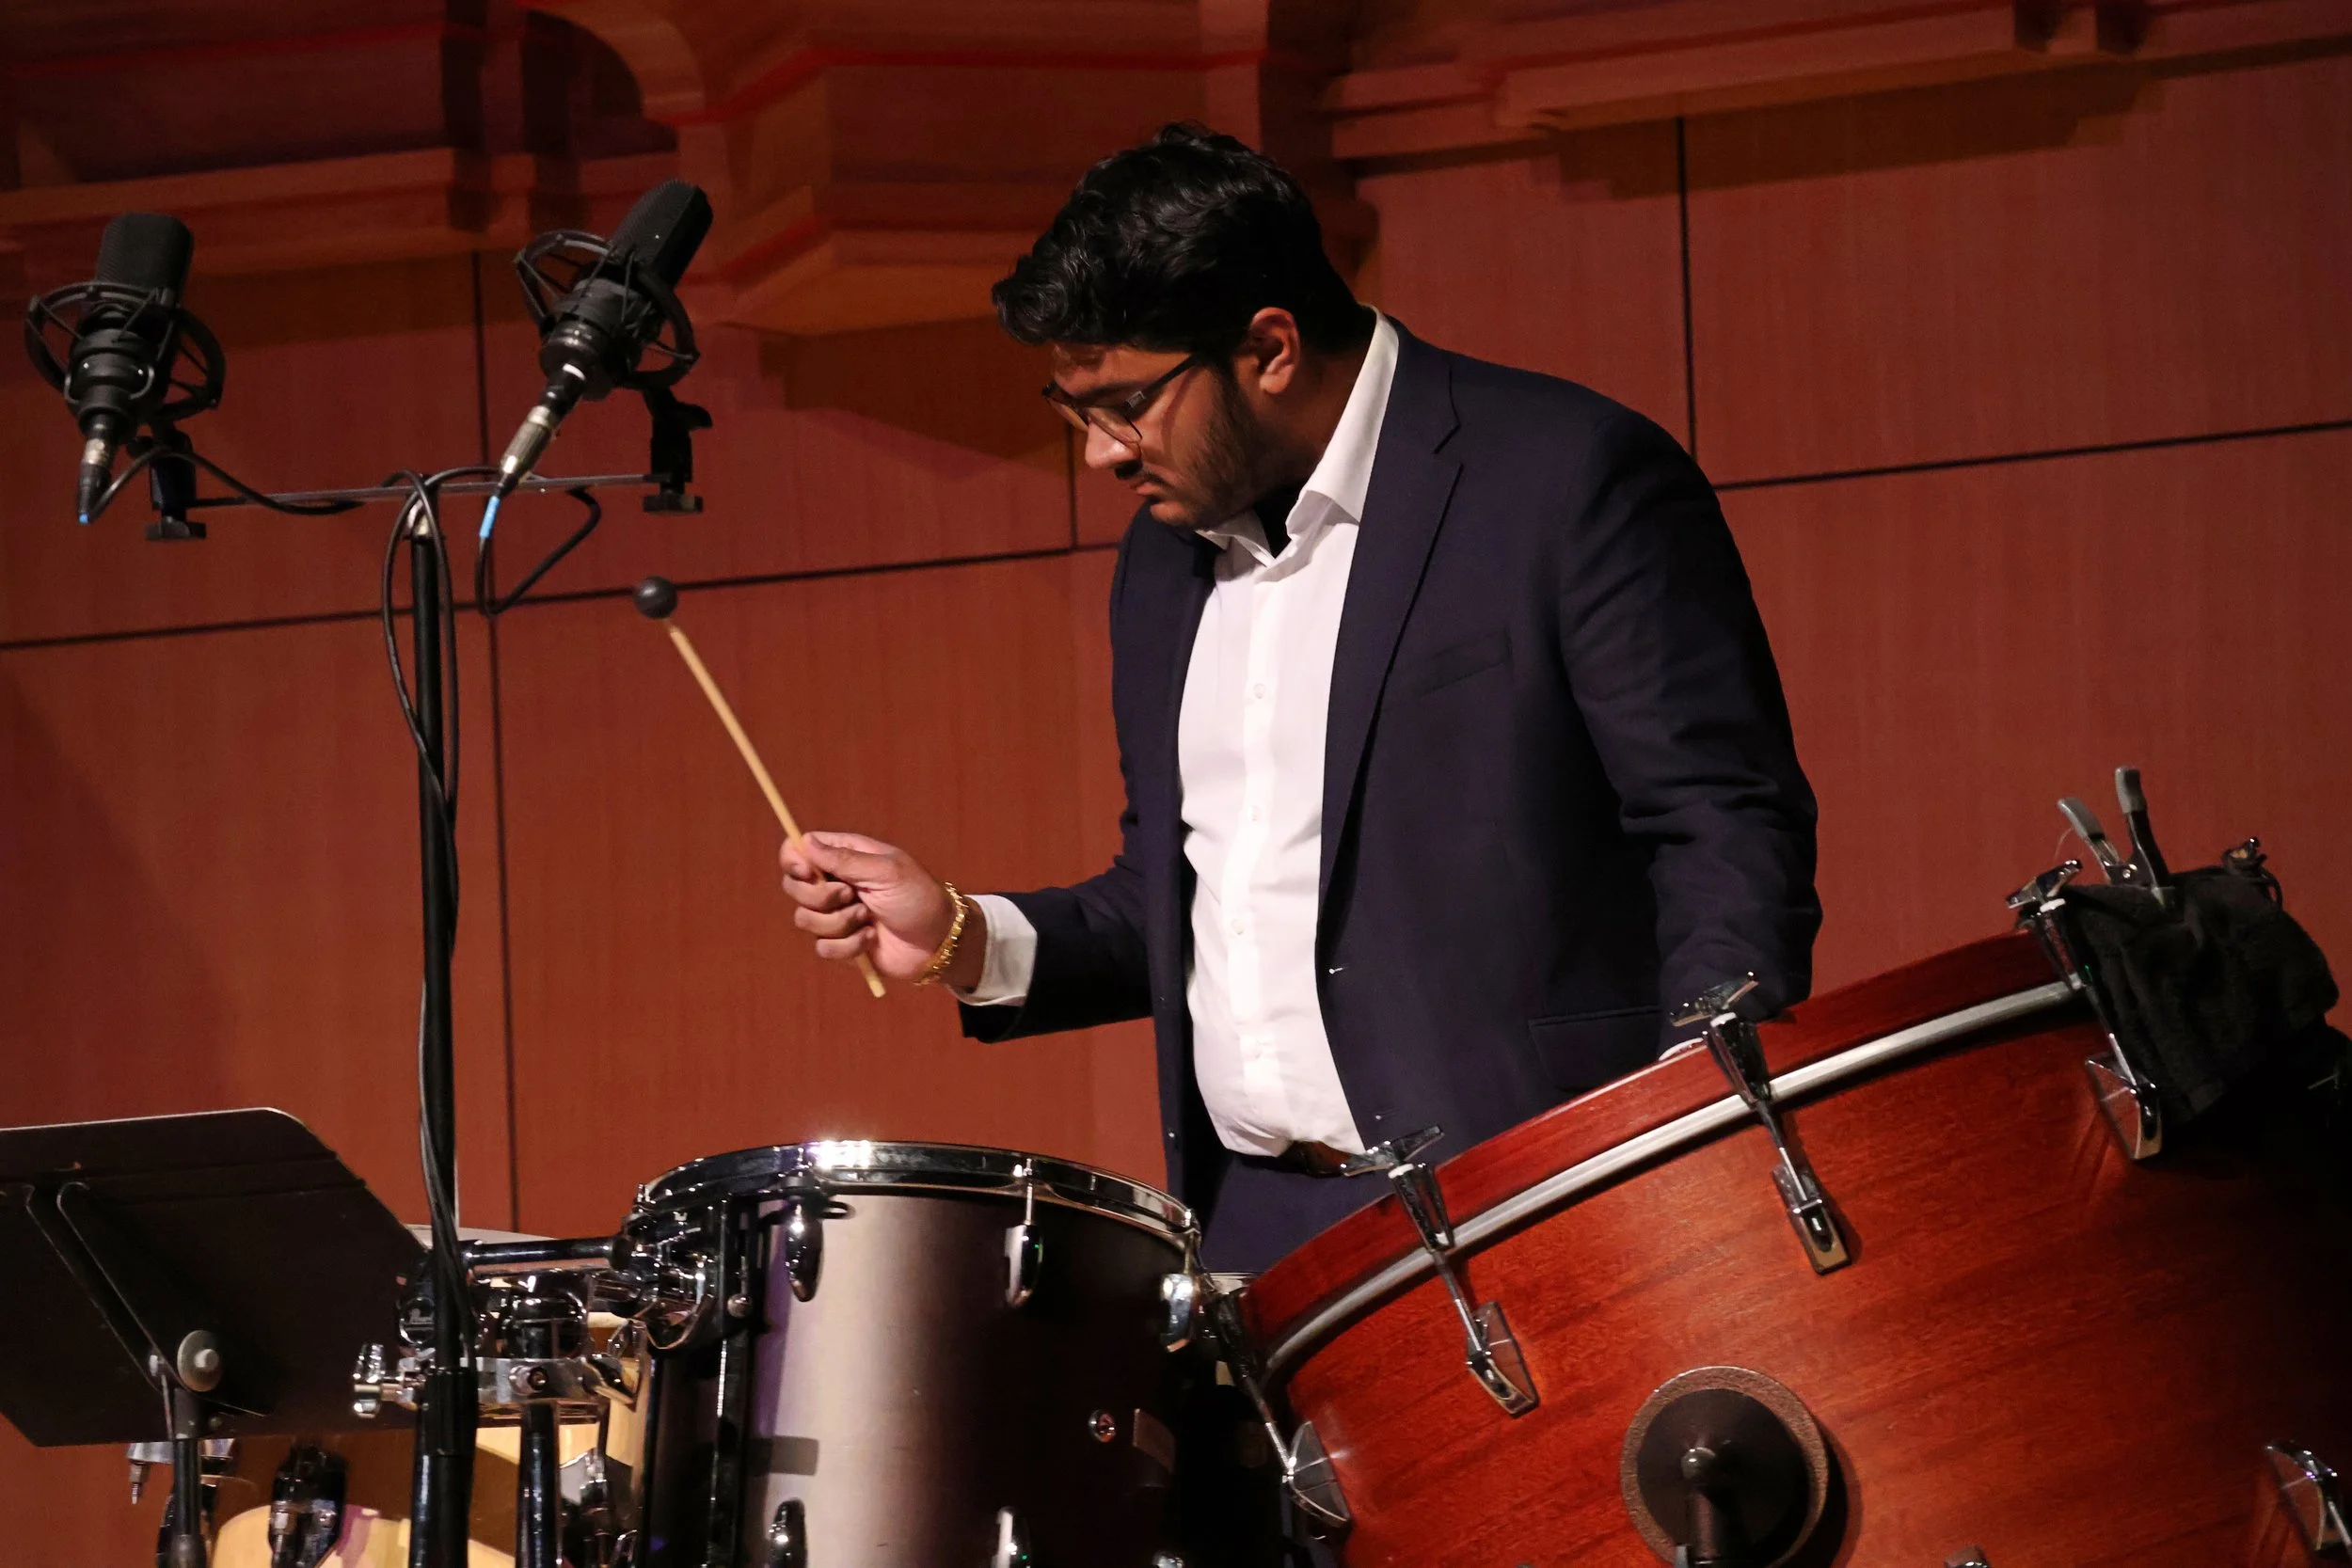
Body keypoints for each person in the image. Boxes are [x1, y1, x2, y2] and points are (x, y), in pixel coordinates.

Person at [781, 122, 1820, 1274]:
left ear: (1269, 346)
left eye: (1125, 403)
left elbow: (1720, 823)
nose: (1099, 456)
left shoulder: (1566, 477)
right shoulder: (1161, 562)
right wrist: (964, 936)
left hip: (1547, 1191)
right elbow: (1182, 894)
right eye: (1073, 410)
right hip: (1263, 1230)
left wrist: (1698, 1128)